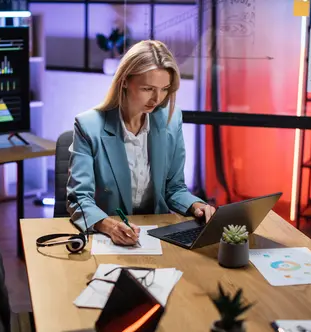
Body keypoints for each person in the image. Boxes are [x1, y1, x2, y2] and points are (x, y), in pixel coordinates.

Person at [66, 39, 216, 246]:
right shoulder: (88, 126)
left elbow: (174, 188)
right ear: (125, 80)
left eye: (164, 89)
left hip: (158, 234)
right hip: (108, 236)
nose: (157, 99)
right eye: (148, 88)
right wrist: (109, 226)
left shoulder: (170, 121)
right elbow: (79, 199)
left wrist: (196, 206)